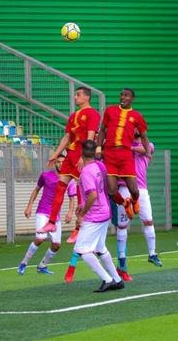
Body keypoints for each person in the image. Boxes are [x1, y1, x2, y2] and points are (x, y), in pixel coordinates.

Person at [39, 86, 100, 234]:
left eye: (78, 95)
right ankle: (52, 222)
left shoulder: (93, 113)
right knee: (60, 187)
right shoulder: (73, 116)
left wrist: (83, 156)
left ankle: (78, 228)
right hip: (70, 155)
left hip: (81, 156)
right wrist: (56, 154)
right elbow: (67, 137)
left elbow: (90, 136)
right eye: (75, 95)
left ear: (87, 97)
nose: (75, 98)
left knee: (82, 190)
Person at [73, 140, 124, 292]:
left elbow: (93, 195)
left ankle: (107, 279)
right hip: (105, 211)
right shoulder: (100, 166)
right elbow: (102, 188)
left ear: (81, 152)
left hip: (94, 216)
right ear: (95, 152)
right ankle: (117, 279)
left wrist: (81, 214)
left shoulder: (86, 172)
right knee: (100, 248)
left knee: (82, 249)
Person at [96, 88, 151, 220]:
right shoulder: (110, 110)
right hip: (109, 154)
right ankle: (124, 203)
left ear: (132, 99)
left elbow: (144, 136)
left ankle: (134, 200)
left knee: (134, 190)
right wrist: (98, 148)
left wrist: (147, 152)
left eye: (127, 96)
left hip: (126, 155)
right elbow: (102, 130)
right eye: (121, 95)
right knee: (111, 191)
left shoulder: (137, 116)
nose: (123, 97)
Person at [114, 132, 162, 282]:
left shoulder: (148, 145)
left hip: (141, 189)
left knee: (148, 221)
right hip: (124, 188)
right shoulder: (122, 147)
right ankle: (122, 259)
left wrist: (126, 146)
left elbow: (145, 150)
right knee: (122, 226)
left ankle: (152, 253)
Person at [17, 155, 77, 275]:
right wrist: (29, 206)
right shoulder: (45, 175)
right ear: (55, 163)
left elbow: (72, 198)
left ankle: (42, 266)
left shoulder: (70, 179)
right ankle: (24, 263)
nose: (60, 164)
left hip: (56, 217)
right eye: (58, 162)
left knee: (56, 244)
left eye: (63, 162)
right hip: (43, 211)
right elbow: (36, 190)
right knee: (40, 238)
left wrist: (70, 212)